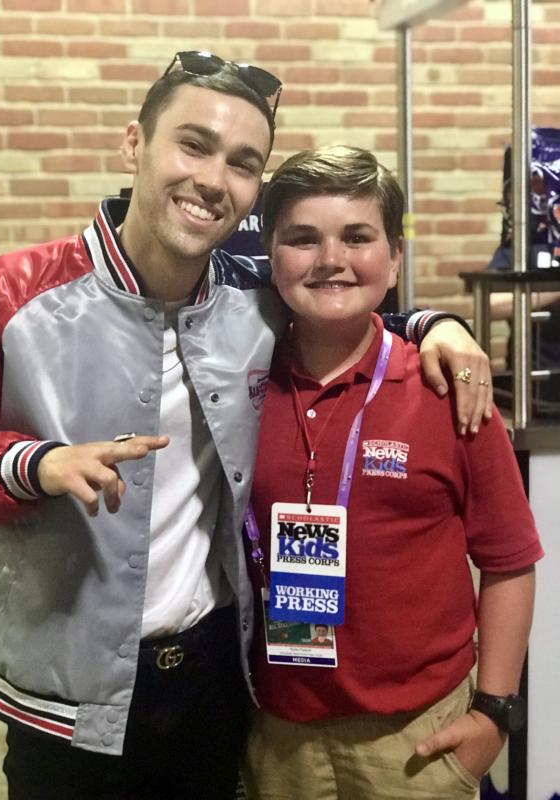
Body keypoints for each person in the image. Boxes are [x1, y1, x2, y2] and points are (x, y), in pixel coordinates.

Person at [0, 52, 490, 799]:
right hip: (65, 689)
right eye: (194, 144)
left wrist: (440, 323)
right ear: (133, 143)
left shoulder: (251, 300)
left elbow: (347, 305)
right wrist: (32, 465)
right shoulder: (6, 295)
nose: (214, 179)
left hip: (217, 677)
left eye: (244, 163)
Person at [242, 146, 543, 800]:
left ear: (395, 255)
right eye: (302, 239)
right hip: (276, 729)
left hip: (418, 734)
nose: (331, 260)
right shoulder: (235, 389)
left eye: (358, 237)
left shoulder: (451, 390)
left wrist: (495, 711)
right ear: (270, 253)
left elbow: (509, 559)